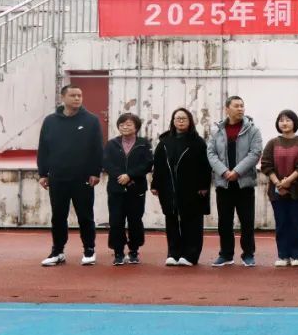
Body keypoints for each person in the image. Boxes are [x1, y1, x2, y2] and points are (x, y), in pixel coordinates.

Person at [37, 84, 104, 267]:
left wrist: (96, 172)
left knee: (85, 216)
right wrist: (43, 173)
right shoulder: (50, 121)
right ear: (63, 98)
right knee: (58, 216)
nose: (77, 98)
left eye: (79, 95)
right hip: (57, 177)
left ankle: (89, 250)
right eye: (73, 95)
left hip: (83, 178)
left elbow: (97, 148)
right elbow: (44, 148)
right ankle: (57, 251)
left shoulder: (91, 120)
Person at [207, 95, 264, 267]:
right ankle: (226, 254)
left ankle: (248, 254)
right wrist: (224, 172)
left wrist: (237, 172)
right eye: (236, 106)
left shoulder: (253, 130)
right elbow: (211, 153)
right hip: (223, 183)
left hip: (244, 183)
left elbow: (255, 153)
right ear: (227, 109)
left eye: (242, 106)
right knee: (224, 221)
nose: (240, 109)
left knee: (247, 221)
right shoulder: (216, 130)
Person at [151, 108, 212, 266]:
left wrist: (204, 185)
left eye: (184, 118)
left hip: (192, 188)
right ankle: (173, 253)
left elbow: (205, 166)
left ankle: (190, 255)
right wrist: (155, 184)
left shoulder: (198, 142)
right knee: (171, 220)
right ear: (173, 121)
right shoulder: (164, 142)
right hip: (169, 188)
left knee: (191, 221)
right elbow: (158, 165)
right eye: (177, 118)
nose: (181, 121)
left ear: (190, 121)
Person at [259, 110, 298, 267]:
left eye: (288, 120)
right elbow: (266, 164)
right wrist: (278, 183)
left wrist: (289, 180)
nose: (284, 123)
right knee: (281, 223)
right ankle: (283, 255)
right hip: (277, 190)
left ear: (294, 122)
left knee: (296, 223)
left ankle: (296, 255)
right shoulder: (272, 143)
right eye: (281, 120)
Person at [103, 112, 154, 265]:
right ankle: (118, 252)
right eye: (122, 124)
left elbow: (147, 164)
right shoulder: (111, 144)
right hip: (116, 189)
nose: (125, 127)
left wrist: (130, 175)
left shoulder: (144, 144)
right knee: (116, 221)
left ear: (136, 127)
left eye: (129, 124)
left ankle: (134, 251)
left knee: (135, 220)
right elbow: (106, 162)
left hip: (136, 188)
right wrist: (120, 176)